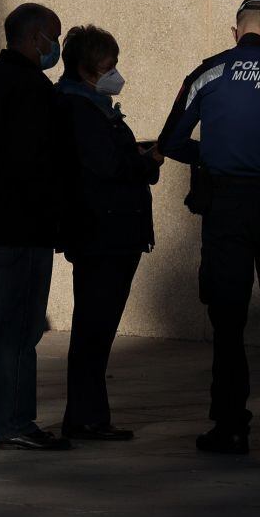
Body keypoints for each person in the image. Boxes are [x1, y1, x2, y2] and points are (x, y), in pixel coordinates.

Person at [159, 0, 260, 454]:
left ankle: (230, 424)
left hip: (226, 208)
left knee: (227, 320)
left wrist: (210, 156)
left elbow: (172, 140)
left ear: (236, 32)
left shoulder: (209, 73)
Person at [0, 2, 71, 451]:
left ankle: (10, 421)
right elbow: (40, 162)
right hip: (24, 228)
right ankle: (14, 423)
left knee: (10, 328)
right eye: (53, 36)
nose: (56, 46)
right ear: (34, 38)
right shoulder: (31, 89)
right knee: (20, 331)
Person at [55, 25, 162, 441]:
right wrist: (147, 161)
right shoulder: (80, 108)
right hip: (104, 231)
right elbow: (106, 166)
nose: (116, 74)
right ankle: (85, 417)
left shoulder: (88, 104)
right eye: (108, 66)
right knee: (94, 328)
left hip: (109, 228)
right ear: (86, 69)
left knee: (96, 328)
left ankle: (89, 415)